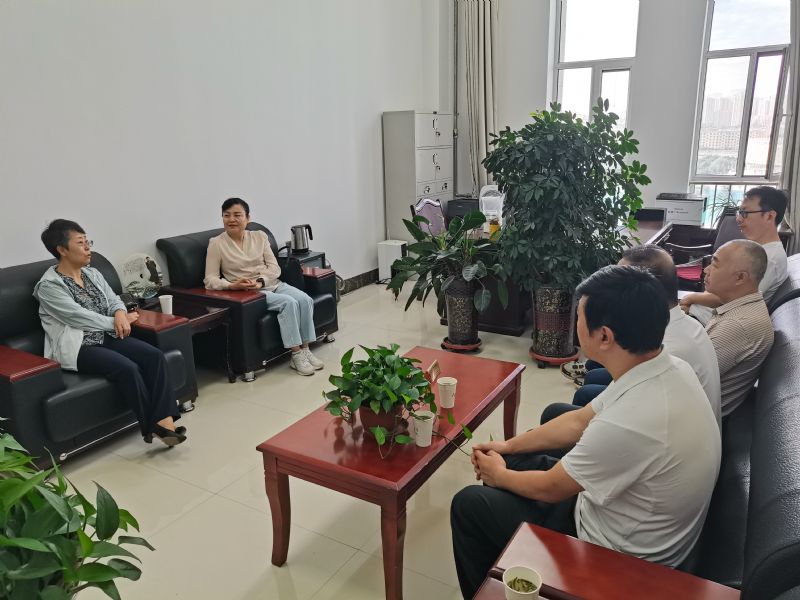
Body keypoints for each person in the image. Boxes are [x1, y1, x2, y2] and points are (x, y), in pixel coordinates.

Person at [450, 266, 720, 600]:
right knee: (515, 458)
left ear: (604, 336)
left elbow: (552, 488)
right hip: (619, 513)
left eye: (578, 315)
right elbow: (579, 421)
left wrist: (499, 475)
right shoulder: (663, 367)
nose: (574, 322)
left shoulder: (633, 420)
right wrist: (508, 447)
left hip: (615, 556)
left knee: (469, 505)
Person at [33, 220, 186, 446]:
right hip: (80, 346)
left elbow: (114, 298)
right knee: (128, 368)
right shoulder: (48, 286)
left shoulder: (92, 274)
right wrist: (114, 322)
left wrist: (120, 313)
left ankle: (165, 423)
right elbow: (77, 317)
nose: (88, 248)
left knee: (154, 356)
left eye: (88, 242)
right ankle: (153, 427)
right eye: (81, 243)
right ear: (62, 250)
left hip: (109, 335)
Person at [545, 245, 722, 429]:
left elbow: (628, 412)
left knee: (562, 409)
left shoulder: (665, 349)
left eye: (618, 284)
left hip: (659, 429)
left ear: (644, 289)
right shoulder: (684, 323)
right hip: (657, 413)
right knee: (592, 375)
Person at [204, 198, 324, 376]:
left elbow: (274, 268)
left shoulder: (260, 236)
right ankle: (296, 354)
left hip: (270, 284)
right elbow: (210, 279)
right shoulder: (216, 243)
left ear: (248, 218)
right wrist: (232, 285)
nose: (231, 219)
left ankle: (306, 349)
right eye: (226, 215)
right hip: (248, 293)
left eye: (237, 215)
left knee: (305, 300)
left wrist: (261, 281)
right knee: (288, 303)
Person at [681, 186, 789, 324]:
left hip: (709, 322)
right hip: (699, 313)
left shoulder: (769, 259)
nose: (738, 219)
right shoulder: (756, 249)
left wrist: (689, 299)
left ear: (769, 216)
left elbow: (732, 299)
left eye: (745, 213)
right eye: (739, 212)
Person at [698, 239, 774, 417]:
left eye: (714, 265)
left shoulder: (738, 325)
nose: (706, 270)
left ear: (740, 277)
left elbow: (687, 376)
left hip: (698, 416)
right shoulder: (743, 308)